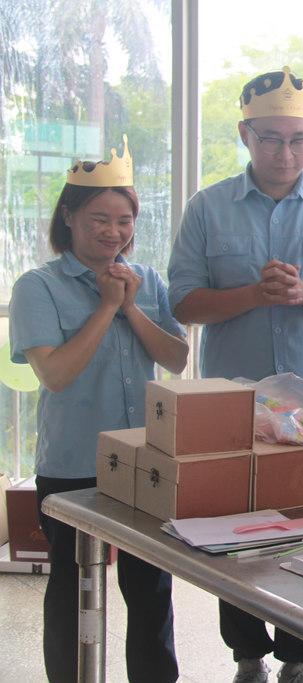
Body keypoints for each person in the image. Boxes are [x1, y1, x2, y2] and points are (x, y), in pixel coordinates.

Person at [168, 67, 303, 683]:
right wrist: (253, 295)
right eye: (272, 139)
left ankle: (299, 658)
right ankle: (246, 653)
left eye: (300, 139)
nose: (286, 153)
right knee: (237, 535)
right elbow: (184, 303)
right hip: (233, 409)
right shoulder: (207, 207)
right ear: (244, 135)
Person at [9, 136, 184, 682]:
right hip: (73, 461)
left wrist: (131, 307)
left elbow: (177, 358)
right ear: (69, 217)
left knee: (151, 588)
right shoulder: (38, 286)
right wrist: (107, 307)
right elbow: (55, 375)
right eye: (99, 220)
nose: (113, 232)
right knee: (73, 585)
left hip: (145, 460)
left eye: (124, 220)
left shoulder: (146, 280)